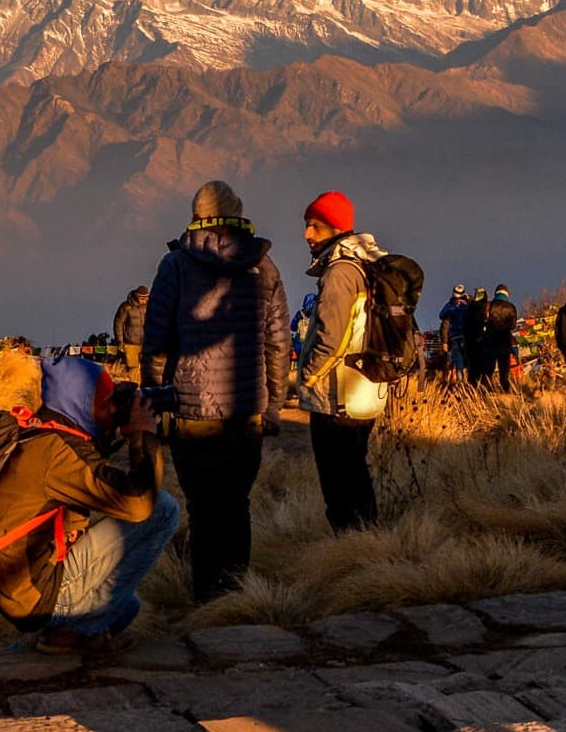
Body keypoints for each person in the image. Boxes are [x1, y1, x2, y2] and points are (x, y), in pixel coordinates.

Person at [142, 181, 289, 601]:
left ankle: (208, 599)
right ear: (237, 212)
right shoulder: (265, 267)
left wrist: (152, 397)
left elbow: (156, 341)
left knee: (203, 508)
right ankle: (237, 594)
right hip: (247, 412)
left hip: (193, 411)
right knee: (237, 503)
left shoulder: (176, 266)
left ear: (196, 214)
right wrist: (274, 404)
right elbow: (278, 343)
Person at [0, 352, 178, 653]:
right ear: (81, 404)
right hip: (38, 595)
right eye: (105, 403)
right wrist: (143, 436)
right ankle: (69, 633)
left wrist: (114, 430)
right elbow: (138, 503)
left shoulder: (41, 433)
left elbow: (92, 473)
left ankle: (72, 629)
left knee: (127, 608)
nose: (112, 410)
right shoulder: (56, 452)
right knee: (163, 510)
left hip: (22, 589)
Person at [296, 190, 390, 532]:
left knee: (338, 482)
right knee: (356, 471)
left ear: (335, 228)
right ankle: (369, 540)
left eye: (315, 227)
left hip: (337, 395)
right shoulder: (368, 265)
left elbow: (331, 337)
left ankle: (350, 547)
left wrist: (307, 377)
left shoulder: (340, 272)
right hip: (366, 390)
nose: (307, 234)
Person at [483, 284, 519, 392]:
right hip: (504, 341)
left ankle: (486, 391)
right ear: (507, 294)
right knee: (504, 370)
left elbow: (482, 320)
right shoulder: (511, 307)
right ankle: (505, 392)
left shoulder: (489, 306)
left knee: (488, 370)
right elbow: (513, 326)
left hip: (490, 341)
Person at [113, 286, 149, 383]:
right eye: (142, 299)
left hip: (146, 342)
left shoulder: (150, 307)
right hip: (130, 343)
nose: (144, 301)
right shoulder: (126, 307)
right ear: (137, 297)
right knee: (132, 367)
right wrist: (120, 341)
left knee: (147, 367)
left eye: (146, 298)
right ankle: (134, 386)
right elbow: (118, 324)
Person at [439, 284, 471, 378]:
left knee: (458, 362)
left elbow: (441, 315)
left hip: (454, 337)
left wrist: (444, 341)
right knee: (468, 361)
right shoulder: (467, 305)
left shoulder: (450, 306)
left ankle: (460, 383)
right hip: (467, 336)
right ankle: (470, 382)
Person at [464, 287, 490, 388]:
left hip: (469, 341)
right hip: (481, 341)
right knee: (483, 367)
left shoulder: (469, 308)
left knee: (473, 368)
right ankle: (483, 390)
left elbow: (465, 325)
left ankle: (471, 388)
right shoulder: (483, 308)